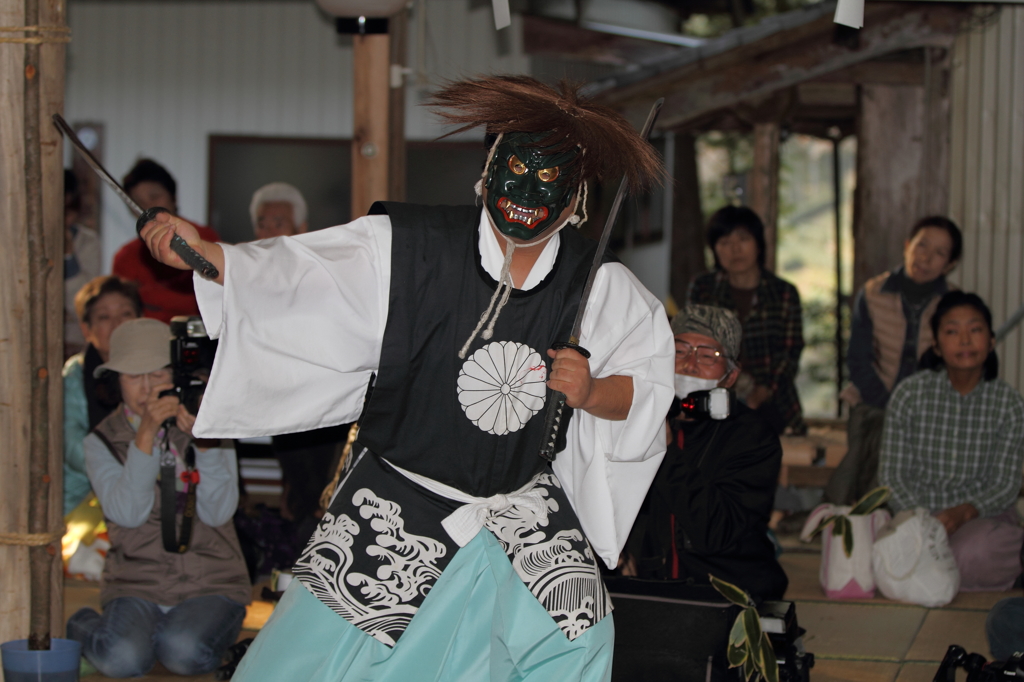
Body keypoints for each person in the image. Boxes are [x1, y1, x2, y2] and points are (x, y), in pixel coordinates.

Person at [139, 75, 673, 682]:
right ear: (488, 169)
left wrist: (591, 391)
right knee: (312, 666)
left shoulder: (599, 284)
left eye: (550, 179)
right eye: (516, 168)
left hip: (521, 507)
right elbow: (306, 276)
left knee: (578, 638)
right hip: (397, 501)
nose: (526, 190)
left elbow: (648, 386)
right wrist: (212, 253)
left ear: (578, 197)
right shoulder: (408, 246)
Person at [67, 318, 250, 677]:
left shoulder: (207, 422)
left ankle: (182, 631)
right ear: (116, 381)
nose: (148, 387)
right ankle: (82, 623)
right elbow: (128, 514)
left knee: (184, 653)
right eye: (134, 376)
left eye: (157, 373)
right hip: (136, 582)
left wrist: (207, 440)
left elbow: (218, 513)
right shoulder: (100, 441)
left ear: (176, 374)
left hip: (212, 580)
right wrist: (145, 438)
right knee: (122, 661)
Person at [630, 304, 787, 601]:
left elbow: (717, 531)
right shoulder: (635, 419)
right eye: (679, 351)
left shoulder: (753, 437)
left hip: (730, 597)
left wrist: (665, 451)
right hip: (652, 594)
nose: (690, 364)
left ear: (730, 377)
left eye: (707, 356)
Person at [879, 291, 1024, 592]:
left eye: (975, 329)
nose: (965, 339)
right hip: (916, 514)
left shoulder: (1009, 403)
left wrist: (965, 512)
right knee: (877, 555)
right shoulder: (909, 395)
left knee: (973, 553)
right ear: (936, 344)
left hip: (981, 517)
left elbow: (1005, 484)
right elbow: (892, 476)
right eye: (952, 331)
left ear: (991, 341)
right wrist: (923, 523)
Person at [827, 216, 962, 505]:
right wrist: (891, 407)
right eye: (921, 245)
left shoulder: (954, 303)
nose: (925, 257)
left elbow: (952, 366)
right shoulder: (873, 293)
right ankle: (861, 517)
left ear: (949, 265)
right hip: (872, 402)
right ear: (906, 246)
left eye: (939, 253)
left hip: (930, 409)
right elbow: (858, 360)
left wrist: (914, 409)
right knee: (875, 444)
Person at [687, 205, 805, 434]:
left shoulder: (783, 293)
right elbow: (695, 341)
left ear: (759, 244)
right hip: (713, 395)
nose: (735, 250)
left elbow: (790, 353)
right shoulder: (704, 289)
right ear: (714, 250)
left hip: (773, 400)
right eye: (724, 243)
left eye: (743, 239)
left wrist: (762, 391)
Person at [63, 276, 143, 515]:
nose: (117, 324)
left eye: (126, 314)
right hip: (82, 499)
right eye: (104, 317)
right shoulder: (74, 375)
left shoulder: (158, 371)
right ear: (87, 329)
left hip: (150, 490)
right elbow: (70, 443)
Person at [112, 159, 220, 324]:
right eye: (137, 203)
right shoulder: (126, 257)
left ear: (174, 198)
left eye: (154, 197)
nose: (147, 208)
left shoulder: (206, 238)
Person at [63, 169, 102, 356]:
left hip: (77, 342)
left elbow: (82, 305)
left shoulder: (88, 242)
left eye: (68, 213)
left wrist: (69, 255)